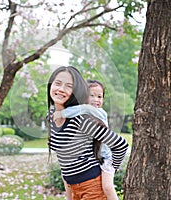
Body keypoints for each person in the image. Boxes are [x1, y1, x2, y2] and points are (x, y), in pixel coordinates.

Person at [47, 66, 128, 200]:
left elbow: (120, 145)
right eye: (58, 83)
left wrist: (109, 169)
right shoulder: (51, 114)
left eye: (68, 86)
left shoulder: (82, 120)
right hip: (71, 186)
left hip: (92, 187)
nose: (61, 89)